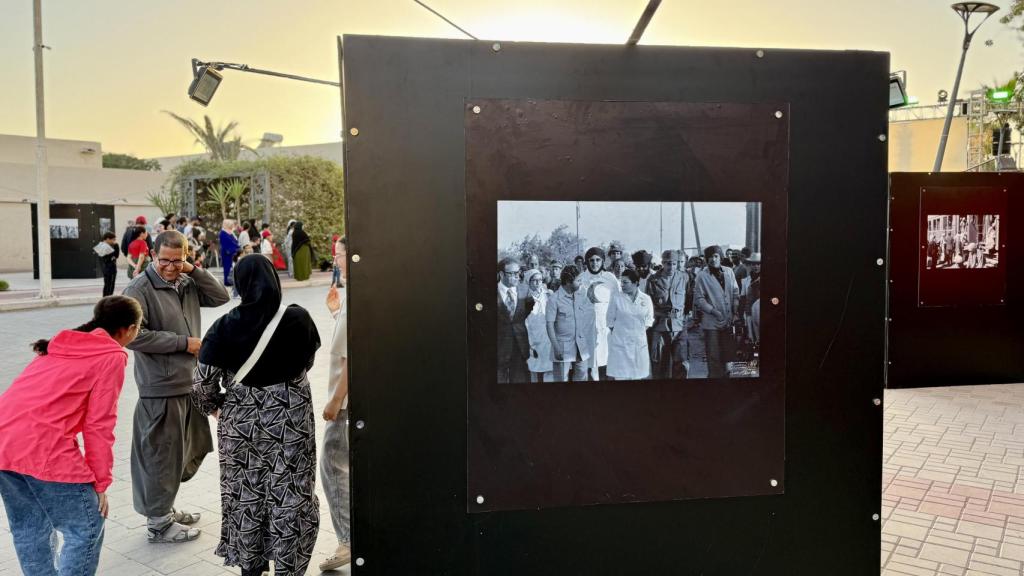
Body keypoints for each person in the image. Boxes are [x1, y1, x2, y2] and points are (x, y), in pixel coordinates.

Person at [192, 255, 321, 575]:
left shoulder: (224, 327)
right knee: (292, 497)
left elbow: (200, 384)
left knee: (247, 497)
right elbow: (307, 363)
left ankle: (251, 566)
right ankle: (289, 567)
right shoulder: (299, 319)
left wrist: (216, 408)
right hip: (291, 424)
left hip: (241, 428)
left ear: (241, 283)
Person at [0, 296, 142, 576]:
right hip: (40, 445)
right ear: (128, 329)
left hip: (4, 440)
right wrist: (101, 482)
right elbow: (99, 425)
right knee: (86, 526)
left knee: (30, 527)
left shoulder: (61, 344)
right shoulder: (111, 356)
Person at [123, 230, 230, 544]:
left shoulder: (186, 281)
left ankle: (165, 509)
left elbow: (221, 296)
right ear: (153, 256)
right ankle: (158, 523)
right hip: (160, 388)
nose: (170, 267)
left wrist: (193, 270)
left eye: (177, 261)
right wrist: (184, 343)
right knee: (160, 456)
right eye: (165, 261)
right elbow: (133, 335)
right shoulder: (139, 288)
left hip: (188, 384)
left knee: (183, 452)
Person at [319, 237, 352, 572]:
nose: (336, 261)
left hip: (345, 403)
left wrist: (335, 400)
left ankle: (347, 539)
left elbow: (351, 358)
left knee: (333, 468)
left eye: (339, 255)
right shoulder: (355, 295)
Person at [693, 245, 740, 379]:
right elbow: (699, 299)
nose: (713, 260)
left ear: (720, 257)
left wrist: (735, 310)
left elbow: (735, 292)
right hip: (711, 322)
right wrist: (714, 312)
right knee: (714, 356)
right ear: (706, 260)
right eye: (710, 257)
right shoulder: (702, 276)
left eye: (716, 256)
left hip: (728, 321)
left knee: (729, 354)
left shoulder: (729, 272)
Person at [546, 265, 595, 382]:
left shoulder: (580, 296)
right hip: (562, 348)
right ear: (568, 282)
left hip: (581, 347)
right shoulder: (554, 299)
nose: (581, 283)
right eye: (578, 280)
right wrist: (556, 347)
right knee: (561, 380)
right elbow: (549, 325)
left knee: (582, 378)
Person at [646, 250, 688, 379]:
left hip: (679, 327)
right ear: (662, 263)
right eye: (668, 264)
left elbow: (690, 299)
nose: (671, 267)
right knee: (659, 366)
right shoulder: (653, 280)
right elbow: (648, 305)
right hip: (660, 327)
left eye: (674, 264)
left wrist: (688, 317)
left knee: (681, 364)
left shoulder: (684, 277)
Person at [579, 247, 620, 380]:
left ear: (602, 261)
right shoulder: (581, 278)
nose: (594, 263)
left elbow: (618, 302)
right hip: (586, 327)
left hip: (606, 327)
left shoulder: (610, 278)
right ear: (587, 262)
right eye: (591, 260)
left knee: (607, 361)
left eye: (598, 260)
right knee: (590, 362)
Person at [606, 269, 655, 380]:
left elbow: (649, 320)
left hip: (639, 344)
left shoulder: (646, 299)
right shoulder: (616, 298)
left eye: (625, 282)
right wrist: (622, 334)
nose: (621, 285)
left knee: (638, 377)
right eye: (621, 282)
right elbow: (609, 320)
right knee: (621, 377)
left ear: (636, 283)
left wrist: (636, 333)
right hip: (620, 345)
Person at [497, 257, 532, 383]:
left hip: (520, 346)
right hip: (498, 348)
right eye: (512, 274)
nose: (517, 276)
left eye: (518, 273)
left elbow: (526, 312)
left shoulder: (525, 291)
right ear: (501, 274)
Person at [524, 269, 553, 382]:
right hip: (533, 338)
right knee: (534, 369)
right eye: (534, 280)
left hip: (548, 338)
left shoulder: (548, 295)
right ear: (529, 281)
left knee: (550, 370)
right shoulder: (525, 298)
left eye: (540, 280)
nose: (538, 283)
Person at [98, 231, 120, 296]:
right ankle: (108, 299)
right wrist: (116, 245)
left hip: (105, 269)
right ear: (107, 239)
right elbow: (116, 255)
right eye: (113, 239)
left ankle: (105, 299)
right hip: (110, 269)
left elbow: (115, 256)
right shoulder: (106, 247)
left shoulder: (101, 245)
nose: (114, 241)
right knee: (110, 286)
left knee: (106, 285)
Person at [219, 219, 239, 286]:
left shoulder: (229, 232)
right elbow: (226, 243)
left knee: (230, 266)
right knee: (227, 267)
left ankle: (229, 280)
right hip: (227, 252)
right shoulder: (223, 233)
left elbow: (234, 241)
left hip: (231, 252)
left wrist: (236, 246)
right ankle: (226, 281)